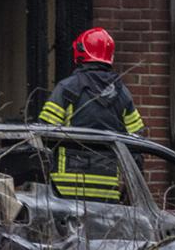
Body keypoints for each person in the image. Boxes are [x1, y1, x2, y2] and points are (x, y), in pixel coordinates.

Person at [36, 27, 146, 201]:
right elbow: (138, 141)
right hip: (108, 191)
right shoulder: (122, 94)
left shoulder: (67, 89)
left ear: (80, 52)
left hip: (66, 190)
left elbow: (44, 134)